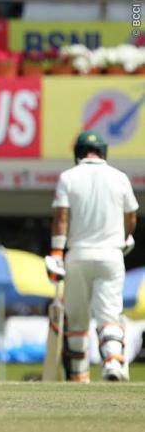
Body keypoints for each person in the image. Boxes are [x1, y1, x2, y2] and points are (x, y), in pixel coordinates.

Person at [46, 131, 138, 382]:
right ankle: (113, 363)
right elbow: (131, 217)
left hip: (78, 256)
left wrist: (56, 253)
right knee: (109, 316)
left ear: (78, 152)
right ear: (103, 151)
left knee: (77, 321)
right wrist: (123, 239)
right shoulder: (120, 178)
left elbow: (61, 218)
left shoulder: (68, 177)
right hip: (111, 256)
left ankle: (79, 376)